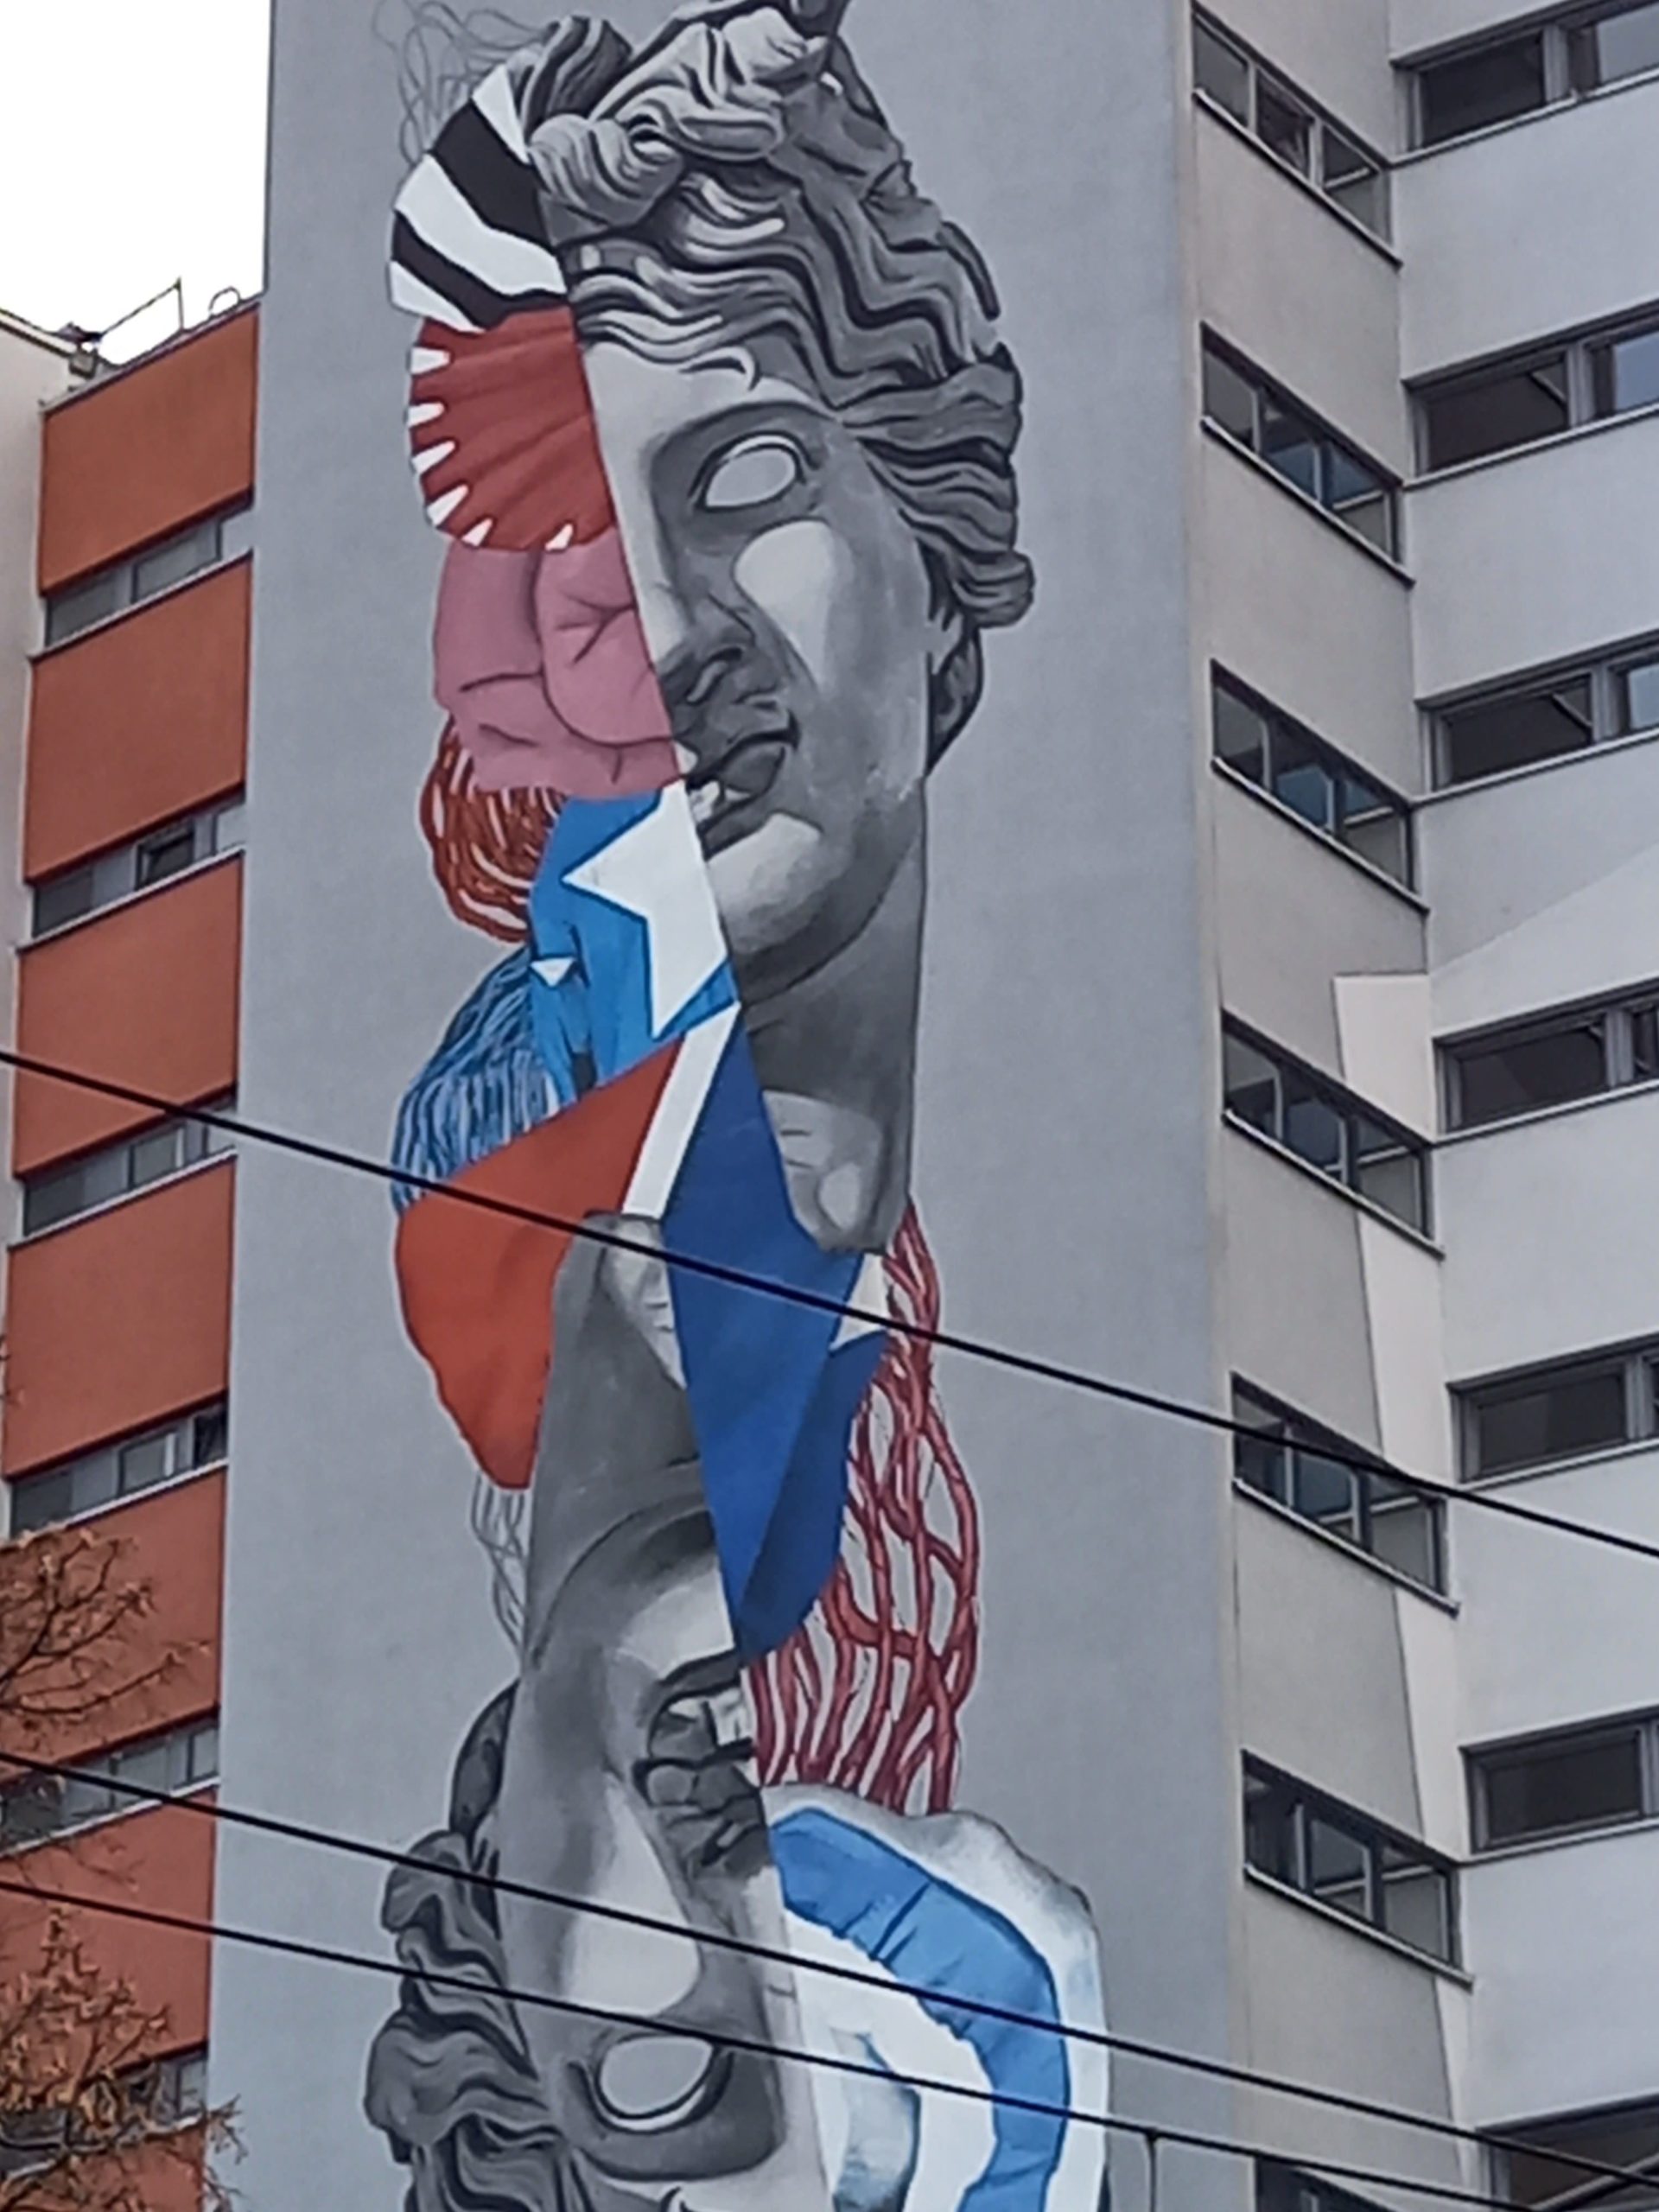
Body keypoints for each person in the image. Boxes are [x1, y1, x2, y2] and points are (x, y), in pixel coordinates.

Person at [365, 5, 1109, 2205]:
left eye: (755, 477)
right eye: (586, 558)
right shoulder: (545, 1148)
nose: (669, 632)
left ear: (941, 545)